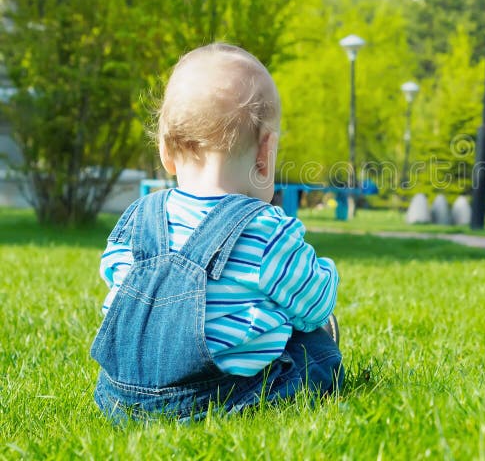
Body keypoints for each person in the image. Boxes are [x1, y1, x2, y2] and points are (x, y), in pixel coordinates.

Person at [90, 43, 342, 422]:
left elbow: (116, 286)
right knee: (318, 349)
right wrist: (322, 277)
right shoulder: (265, 229)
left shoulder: (138, 217)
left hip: (120, 399)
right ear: (265, 152)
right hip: (216, 398)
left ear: (165, 150)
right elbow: (316, 304)